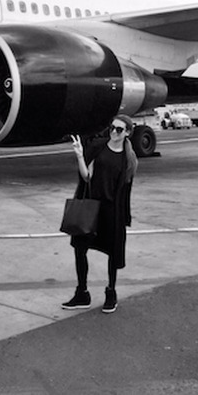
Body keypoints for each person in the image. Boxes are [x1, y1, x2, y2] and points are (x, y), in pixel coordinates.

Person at [62, 114, 138, 314]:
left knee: (112, 253)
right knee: (80, 248)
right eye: (112, 127)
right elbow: (86, 176)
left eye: (119, 129)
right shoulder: (99, 147)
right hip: (91, 207)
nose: (113, 132)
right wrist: (80, 155)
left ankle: (111, 293)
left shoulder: (129, 158)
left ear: (127, 133)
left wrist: (124, 217)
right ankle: (82, 293)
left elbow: (126, 190)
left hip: (112, 211)